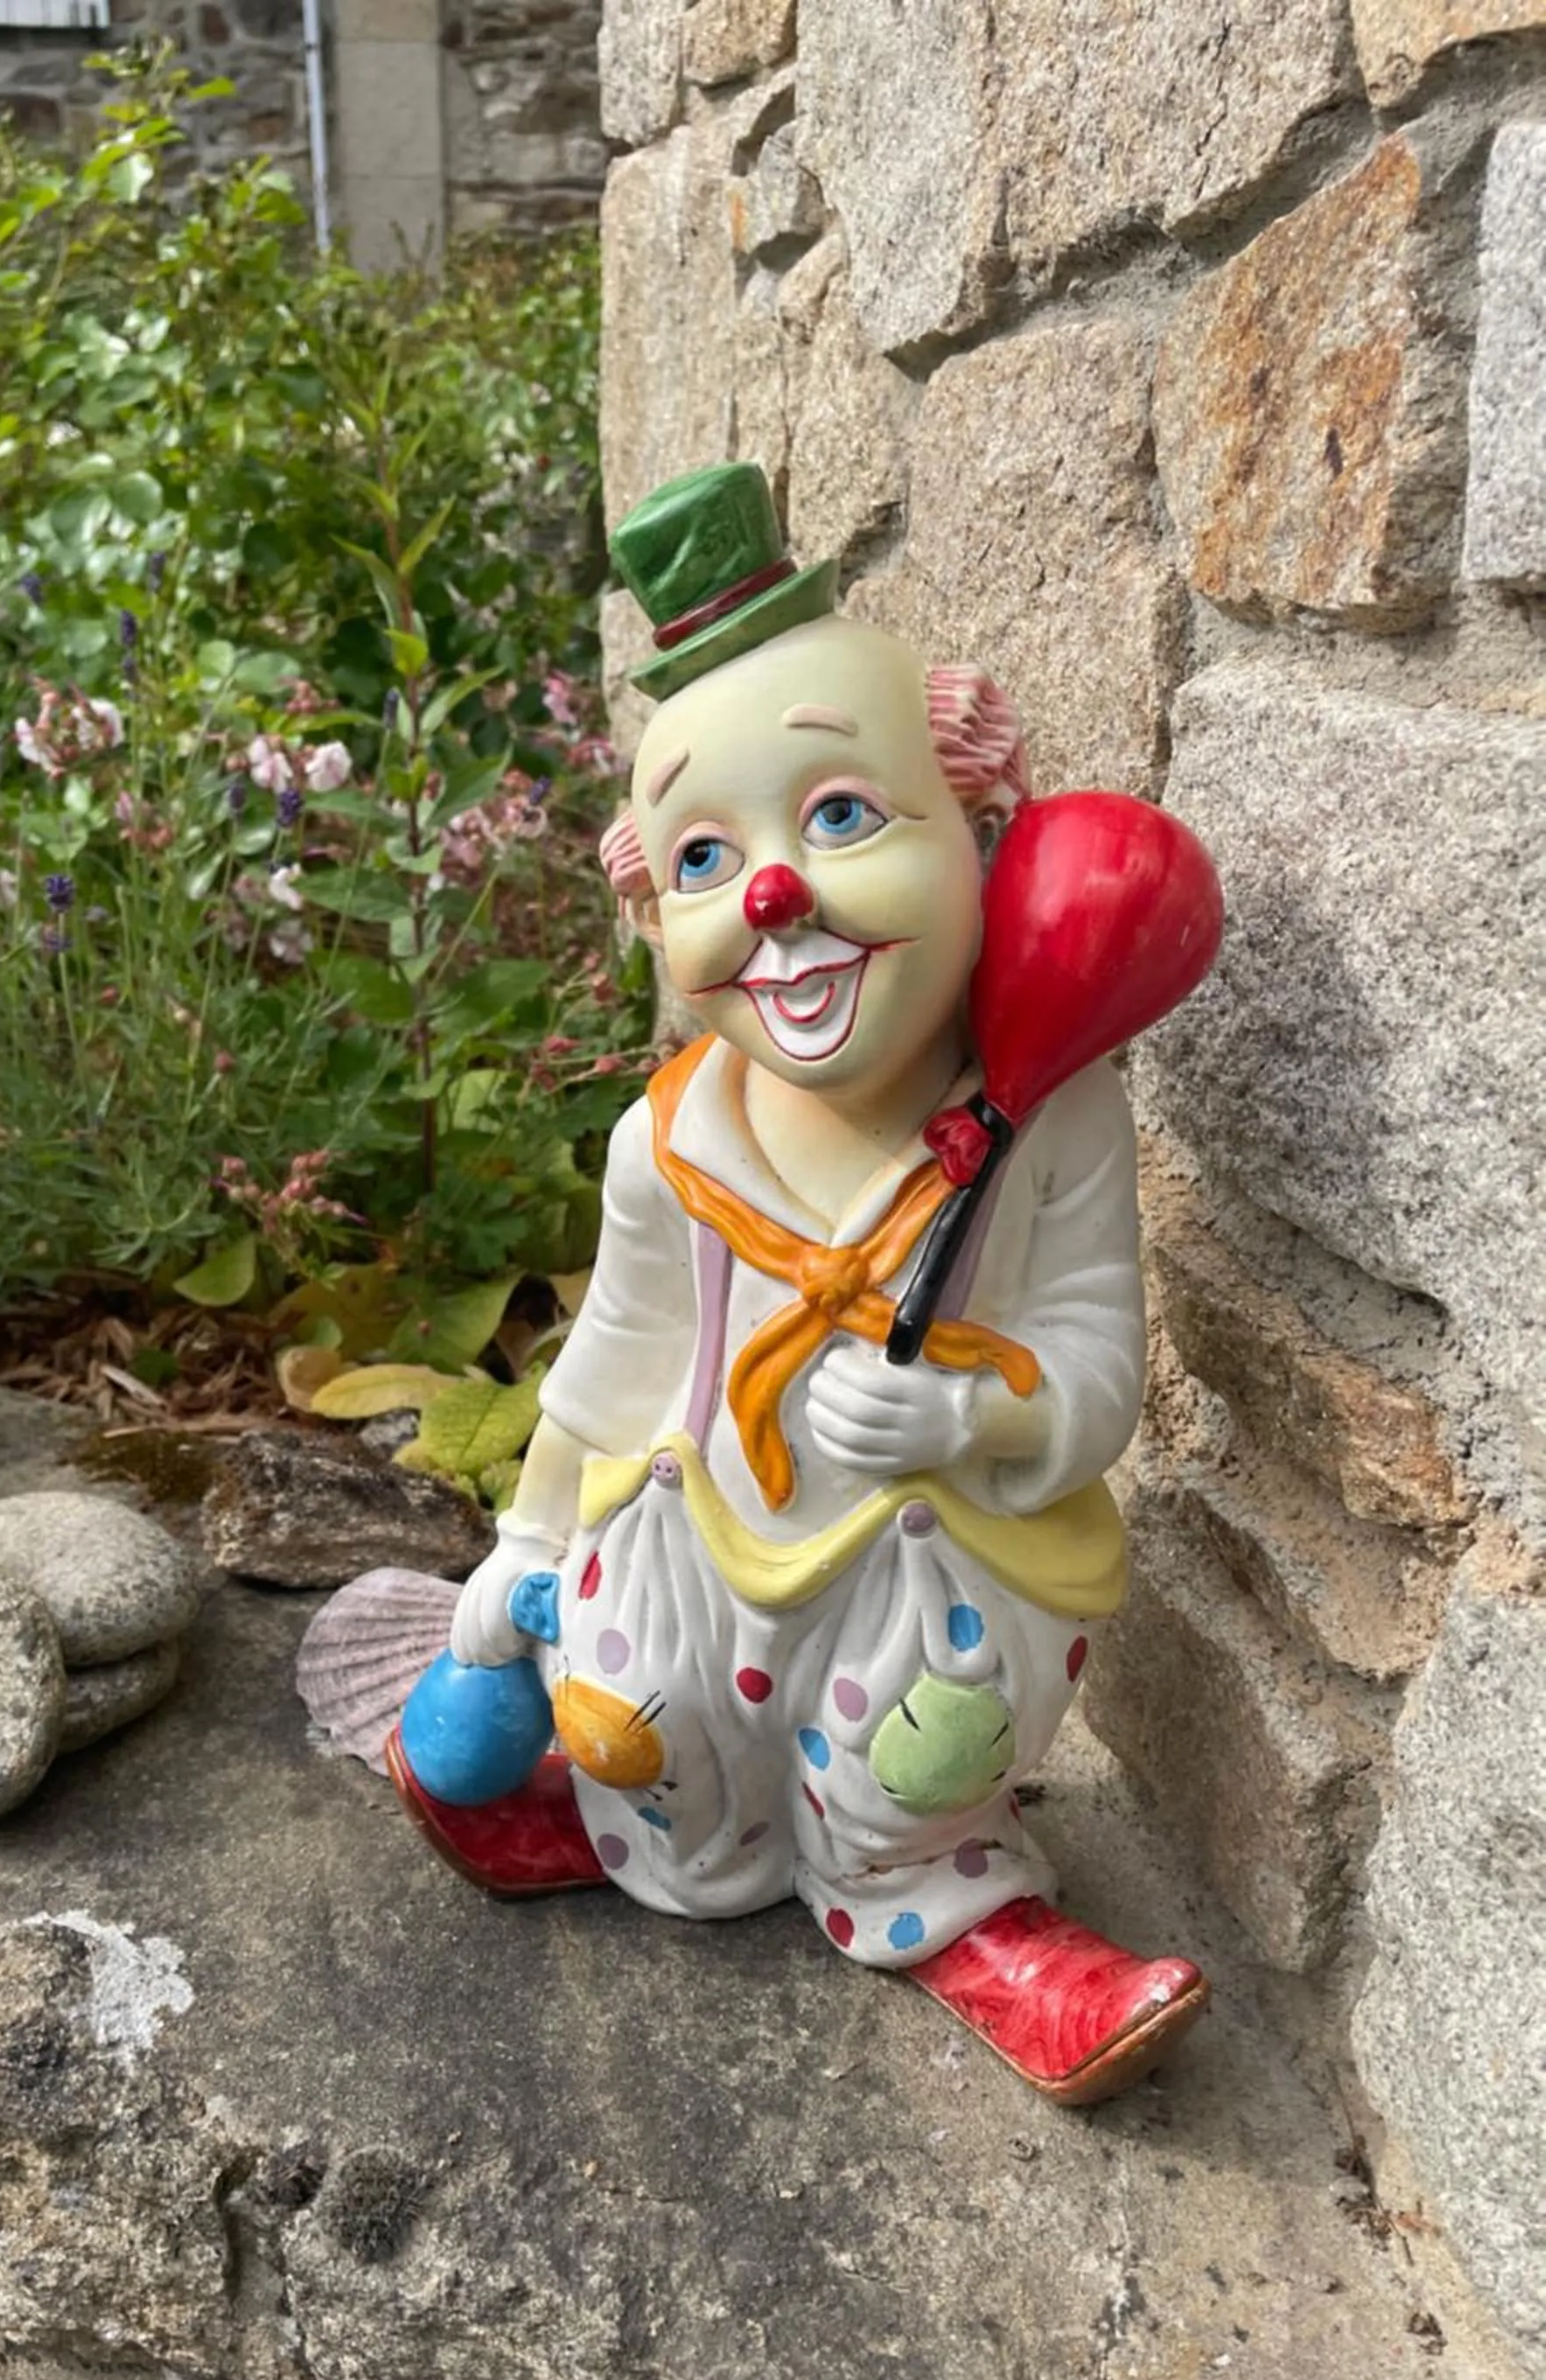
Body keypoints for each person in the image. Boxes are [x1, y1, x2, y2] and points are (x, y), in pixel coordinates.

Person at [386, 463, 1208, 2106]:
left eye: (839, 818)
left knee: (932, 1721)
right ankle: (650, 1825)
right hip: (697, 1521)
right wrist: (529, 1542)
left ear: (979, 835)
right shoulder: (669, 1141)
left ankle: (946, 1907)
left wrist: (966, 1408)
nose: (770, 895)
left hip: (930, 1543)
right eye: (703, 857)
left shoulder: (1046, 1109)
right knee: (634, 1694)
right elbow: (613, 1368)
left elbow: (1099, 1358)